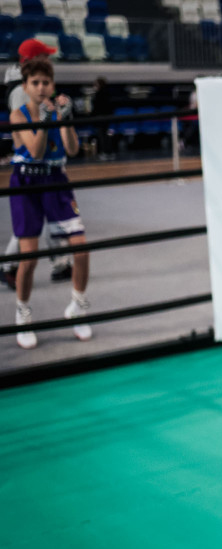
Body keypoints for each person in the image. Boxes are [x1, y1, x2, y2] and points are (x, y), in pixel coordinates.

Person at [10, 57, 91, 349]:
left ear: (53, 85)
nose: (42, 88)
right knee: (28, 258)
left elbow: (72, 149)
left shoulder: (58, 111)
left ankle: (78, 307)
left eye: (46, 82)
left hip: (57, 182)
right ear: (26, 86)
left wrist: (65, 119)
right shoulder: (17, 115)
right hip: (27, 185)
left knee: (81, 249)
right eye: (36, 83)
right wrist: (45, 122)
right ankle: (23, 313)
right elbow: (36, 149)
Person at [2, 38, 70, 288]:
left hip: (43, 157)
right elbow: (28, 129)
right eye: (45, 56)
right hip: (33, 161)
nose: (50, 60)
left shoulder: (29, 84)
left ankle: (60, 262)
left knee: (45, 214)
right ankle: (10, 264)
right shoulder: (23, 91)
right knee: (33, 219)